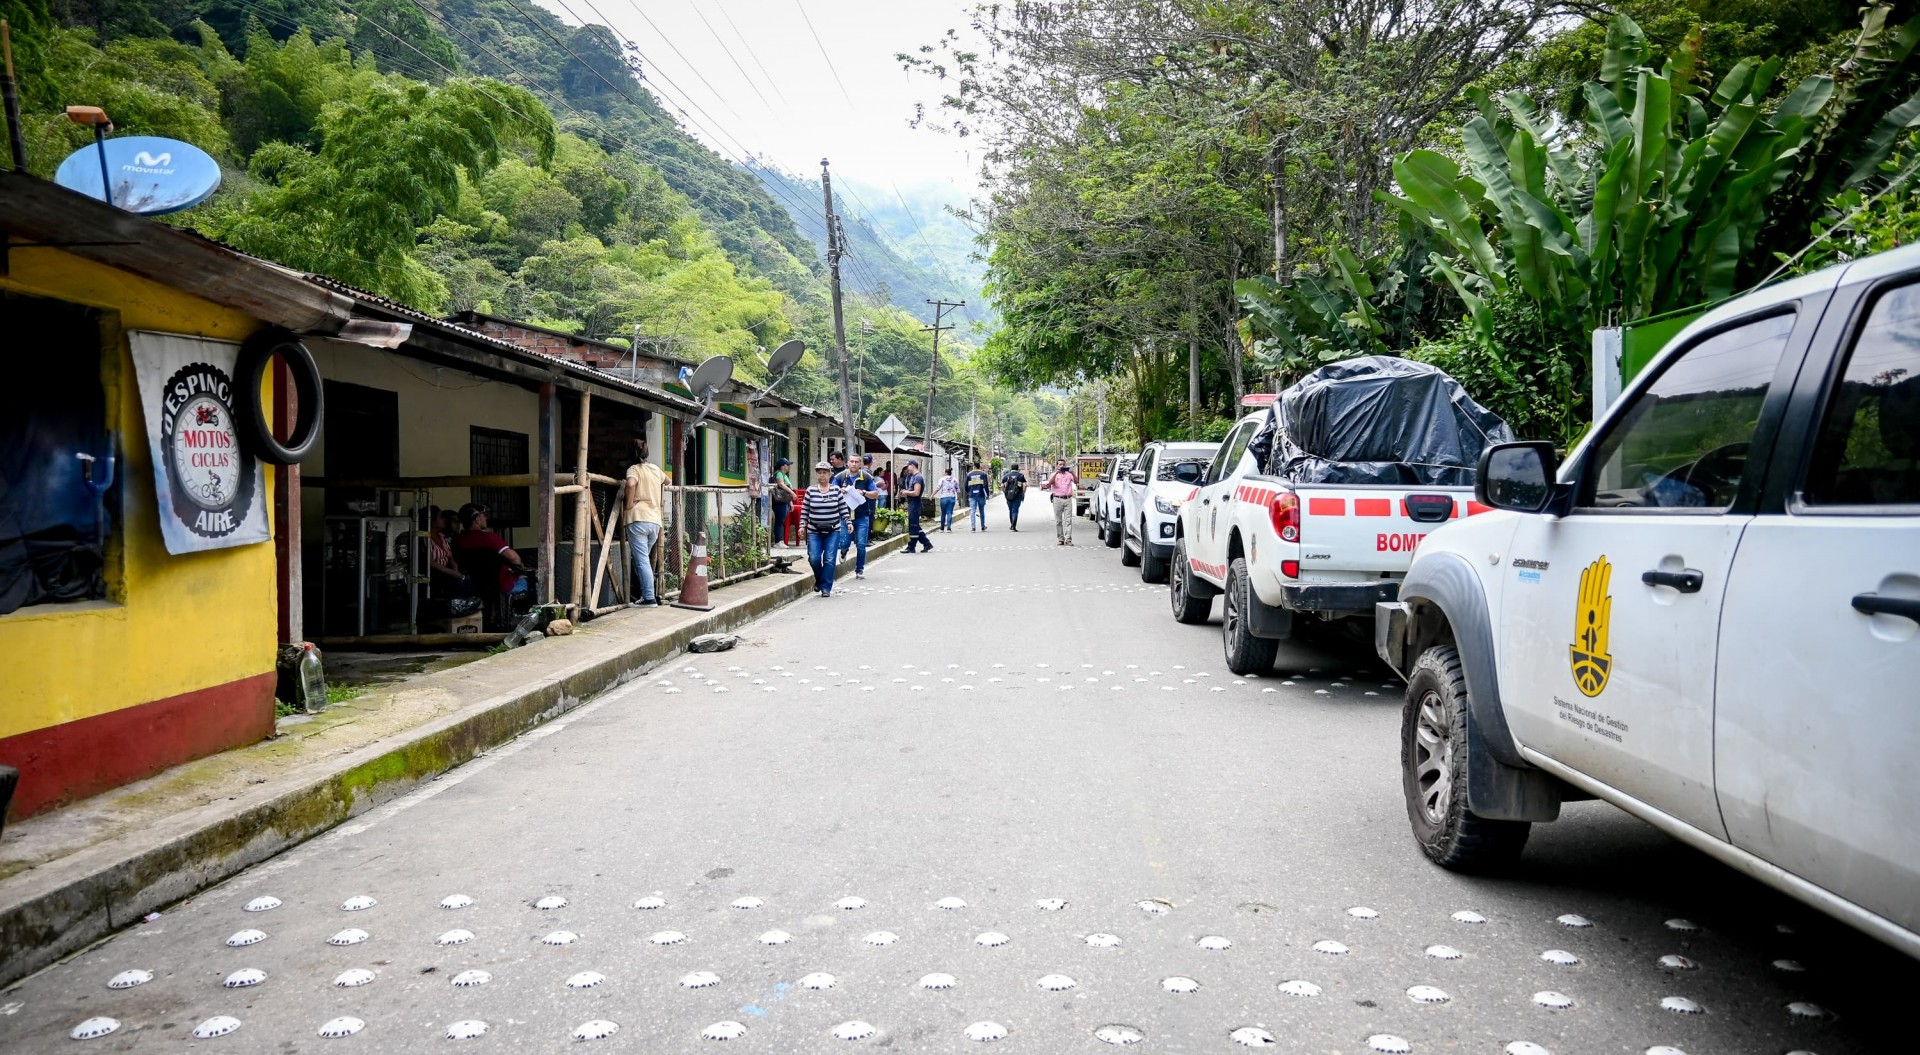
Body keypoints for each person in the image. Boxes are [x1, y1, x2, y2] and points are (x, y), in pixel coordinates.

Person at [453, 503, 530, 629]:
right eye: (484, 515)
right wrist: (520, 565)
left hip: (473, 584)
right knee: (527, 582)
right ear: (477, 519)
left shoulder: (458, 540)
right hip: (499, 584)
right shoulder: (489, 538)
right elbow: (514, 558)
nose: (486, 518)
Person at [623, 438, 666, 606]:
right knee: (643, 560)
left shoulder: (634, 469)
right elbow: (667, 481)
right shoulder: (655, 469)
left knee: (641, 561)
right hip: (655, 521)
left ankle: (649, 598)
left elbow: (631, 483)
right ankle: (645, 594)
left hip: (638, 519)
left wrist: (629, 503)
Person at [802, 461, 847, 597]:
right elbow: (805, 510)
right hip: (814, 530)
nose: (822, 476)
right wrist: (801, 526)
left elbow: (842, 508)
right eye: (819, 473)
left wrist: (848, 522)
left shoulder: (836, 490)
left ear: (830, 474)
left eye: (824, 473)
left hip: (833, 530)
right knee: (814, 558)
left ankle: (826, 587)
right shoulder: (811, 491)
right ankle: (820, 580)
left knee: (829, 559)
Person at [834, 453, 881, 578]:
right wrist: (839, 490)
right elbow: (831, 488)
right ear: (847, 463)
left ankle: (859, 570)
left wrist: (864, 492)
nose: (854, 464)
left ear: (860, 464)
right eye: (852, 461)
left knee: (861, 544)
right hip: (845, 516)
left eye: (856, 462)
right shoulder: (841, 476)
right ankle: (843, 552)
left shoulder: (866, 477)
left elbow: (875, 494)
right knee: (844, 542)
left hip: (862, 515)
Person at [900, 459, 933, 552]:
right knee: (915, 525)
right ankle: (927, 543)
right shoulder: (912, 477)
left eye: (908, 466)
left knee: (913, 526)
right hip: (912, 503)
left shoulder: (918, 477)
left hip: (915, 503)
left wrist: (906, 492)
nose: (907, 468)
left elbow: (916, 492)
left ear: (912, 466)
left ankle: (911, 547)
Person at [1047, 460, 1079, 545]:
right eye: (1060, 464)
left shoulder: (1069, 475)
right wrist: (1056, 473)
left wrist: (1073, 473)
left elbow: (1076, 482)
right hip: (1057, 499)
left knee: (1068, 520)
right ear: (1057, 465)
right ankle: (1060, 538)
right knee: (1058, 520)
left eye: (1063, 464)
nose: (1062, 466)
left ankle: (1068, 539)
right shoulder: (1054, 474)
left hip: (1068, 499)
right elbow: (1049, 483)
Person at [768, 457, 796, 549]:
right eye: (787, 465)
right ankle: (778, 541)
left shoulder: (785, 475)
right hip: (780, 501)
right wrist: (792, 493)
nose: (789, 467)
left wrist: (790, 502)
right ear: (783, 466)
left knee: (782, 521)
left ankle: (780, 540)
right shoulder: (779, 474)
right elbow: (781, 484)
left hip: (785, 501)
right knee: (779, 521)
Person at [999, 463, 1028, 531]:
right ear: (1017, 468)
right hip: (1018, 496)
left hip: (1009, 496)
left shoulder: (1006, 476)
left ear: (1011, 468)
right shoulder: (1021, 476)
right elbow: (1025, 485)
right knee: (1015, 510)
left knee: (1010, 510)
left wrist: (1005, 493)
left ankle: (1012, 523)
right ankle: (1014, 526)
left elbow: (1002, 486)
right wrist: (1023, 493)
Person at [964, 462, 991, 531]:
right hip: (981, 495)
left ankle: (973, 527)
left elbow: (965, 486)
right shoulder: (983, 474)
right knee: (981, 510)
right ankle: (982, 526)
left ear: (974, 466)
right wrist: (987, 494)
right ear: (979, 466)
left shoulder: (969, 474)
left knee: (972, 511)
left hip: (972, 495)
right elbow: (985, 485)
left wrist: (969, 492)